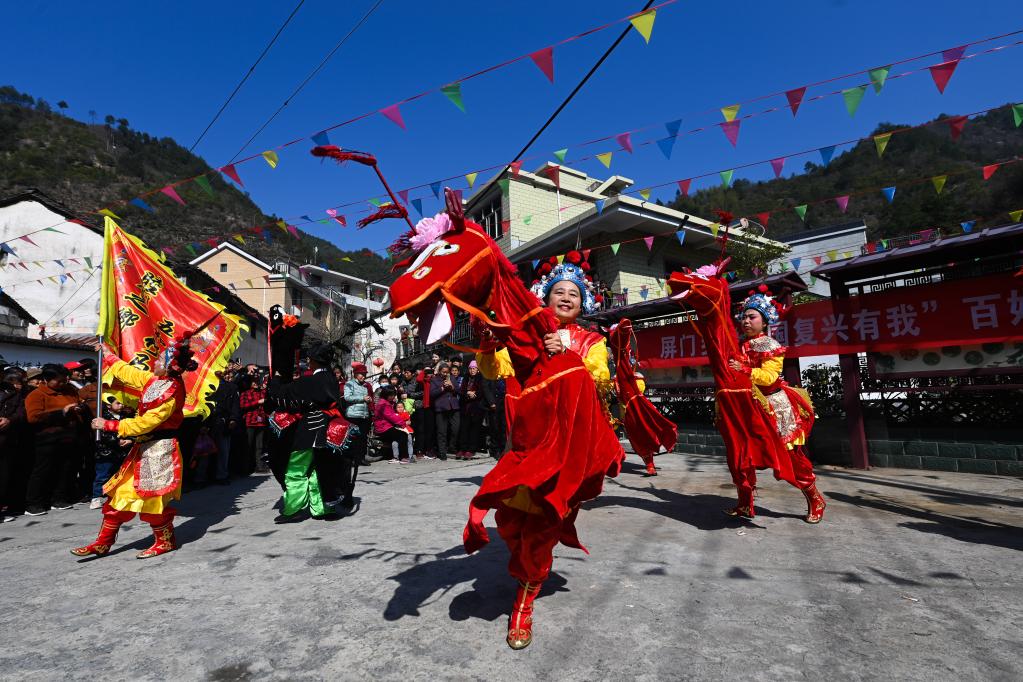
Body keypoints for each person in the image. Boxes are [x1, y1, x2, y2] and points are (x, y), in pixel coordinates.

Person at [474, 251, 619, 649]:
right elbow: (494, 370)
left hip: (568, 444)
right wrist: (488, 346)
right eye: (559, 291)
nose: (567, 297)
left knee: (541, 524)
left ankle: (524, 602)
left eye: (574, 293)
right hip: (526, 441)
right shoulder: (526, 333)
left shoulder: (592, 341)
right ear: (546, 296)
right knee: (510, 520)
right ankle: (525, 568)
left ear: (583, 301)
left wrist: (564, 353)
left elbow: (599, 381)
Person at [71, 338, 200, 558]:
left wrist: (110, 425)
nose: (155, 362)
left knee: (153, 500)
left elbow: (148, 422)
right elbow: (127, 372)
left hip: (160, 450)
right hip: (142, 448)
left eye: (159, 359)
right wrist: (108, 353)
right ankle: (103, 542)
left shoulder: (171, 389)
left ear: (169, 366)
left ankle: (165, 541)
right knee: (120, 496)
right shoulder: (153, 380)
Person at [726, 287, 825, 523]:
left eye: (753, 317)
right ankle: (744, 503)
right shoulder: (739, 345)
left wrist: (745, 370)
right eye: (744, 317)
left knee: (790, 457)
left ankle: (815, 498)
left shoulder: (769, 345)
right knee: (741, 456)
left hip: (773, 407)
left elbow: (769, 377)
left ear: (765, 320)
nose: (746, 321)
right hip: (747, 407)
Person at [265, 344, 343, 522]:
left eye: (310, 359)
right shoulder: (331, 378)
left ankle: (293, 509)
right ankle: (321, 508)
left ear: (314, 361)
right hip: (328, 431)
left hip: (310, 430)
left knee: (296, 470)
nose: (308, 361)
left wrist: (276, 379)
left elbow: (279, 395)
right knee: (317, 470)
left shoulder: (309, 381)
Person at [24, 365, 87, 515]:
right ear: (46, 380)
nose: (63, 383)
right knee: (42, 471)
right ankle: (34, 503)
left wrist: (79, 409)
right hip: (48, 439)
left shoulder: (70, 391)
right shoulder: (37, 395)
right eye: (58, 381)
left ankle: (59, 499)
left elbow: (79, 402)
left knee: (66, 469)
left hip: (69, 437)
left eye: (65, 380)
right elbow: (33, 417)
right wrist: (62, 412)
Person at [90, 394, 131, 509]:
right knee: (103, 475)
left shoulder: (125, 416)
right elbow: (103, 435)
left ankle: (118, 495)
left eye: (122, 403)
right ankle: (96, 497)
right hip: (105, 452)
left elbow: (131, 430)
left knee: (119, 474)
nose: (121, 405)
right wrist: (117, 441)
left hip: (121, 451)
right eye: (117, 403)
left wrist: (129, 440)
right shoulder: (102, 418)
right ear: (108, 405)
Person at [202, 369, 240, 485]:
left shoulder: (232, 387)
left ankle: (221, 475)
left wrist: (233, 419)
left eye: (228, 372)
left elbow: (235, 405)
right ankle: (201, 477)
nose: (225, 374)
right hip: (208, 421)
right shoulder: (206, 384)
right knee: (204, 451)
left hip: (223, 421)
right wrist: (203, 423)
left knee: (223, 451)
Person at [0, 369, 28, 523]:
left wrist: (9, 420)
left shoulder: (11, 392)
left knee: (3, 476)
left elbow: (21, 412)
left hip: (7, 440)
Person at [343, 362, 376, 466]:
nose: (363, 376)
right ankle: (352, 459)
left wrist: (369, 399)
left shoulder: (365, 386)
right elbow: (347, 397)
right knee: (353, 438)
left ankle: (361, 458)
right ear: (355, 374)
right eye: (361, 374)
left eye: (364, 374)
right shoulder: (349, 384)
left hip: (364, 415)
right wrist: (362, 398)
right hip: (353, 416)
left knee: (363, 438)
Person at [374, 386, 413, 464]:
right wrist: (403, 424)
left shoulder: (385, 402)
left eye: (393, 395)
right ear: (386, 395)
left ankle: (396, 456)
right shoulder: (384, 403)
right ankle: (404, 457)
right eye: (391, 395)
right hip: (384, 427)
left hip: (384, 426)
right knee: (403, 435)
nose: (393, 397)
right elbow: (391, 416)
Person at [239, 374, 268, 474]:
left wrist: (265, 389)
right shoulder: (245, 393)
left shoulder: (262, 392)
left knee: (259, 446)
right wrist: (257, 402)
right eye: (253, 382)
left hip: (261, 422)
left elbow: (268, 401)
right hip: (250, 422)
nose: (256, 383)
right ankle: (246, 468)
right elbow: (243, 406)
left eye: (257, 381)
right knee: (248, 445)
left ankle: (259, 466)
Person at [430, 363, 459, 461]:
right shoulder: (434, 380)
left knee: (456, 428)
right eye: (443, 372)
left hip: (453, 407)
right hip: (441, 408)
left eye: (447, 372)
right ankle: (442, 452)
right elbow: (432, 394)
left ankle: (452, 447)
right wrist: (442, 388)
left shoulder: (452, 378)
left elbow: (458, 390)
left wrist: (452, 386)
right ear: (439, 371)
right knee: (442, 431)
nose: (445, 374)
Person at [457, 360, 485, 460]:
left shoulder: (481, 377)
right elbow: (461, 391)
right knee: (464, 429)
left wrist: (475, 394)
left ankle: (471, 449)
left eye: (474, 368)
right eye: (470, 368)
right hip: (465, 407)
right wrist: (468, 393)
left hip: (476, 407)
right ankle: (462, 448)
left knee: (474, 429)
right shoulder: (465, 377)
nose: (472, 370)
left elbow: (482, 391)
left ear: (477, 369)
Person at [481, 375, 506, 459]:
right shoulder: (489, 371)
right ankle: (496, 450)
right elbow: (485, 387)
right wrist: (491, 402)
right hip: (494, 403)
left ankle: (503, 449)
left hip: (505, 402)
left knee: (503, 427)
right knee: (495, 428)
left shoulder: (505, 371)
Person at [414, 366, 436, 460]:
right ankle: (419, 450)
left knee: (430, 430)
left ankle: (429, 449)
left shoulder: (434, 382)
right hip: (422, 408)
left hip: (431, 408)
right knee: (420, 430)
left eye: (431, 372)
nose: (430, 374)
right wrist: (424, 370)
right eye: (428, 373)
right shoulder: (422, 381)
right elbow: (418, 378)